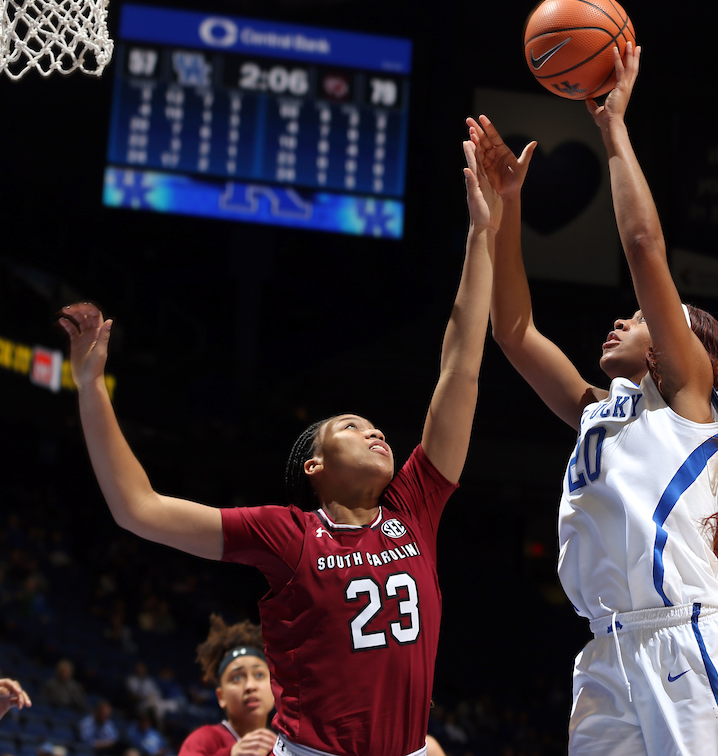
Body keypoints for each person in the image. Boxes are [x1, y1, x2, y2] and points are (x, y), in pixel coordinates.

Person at [59, 137, 502, 756]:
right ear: (314, 466)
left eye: (374, 425)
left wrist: (484, 232)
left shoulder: (414, 507)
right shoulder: (288, 535)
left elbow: (461, 364)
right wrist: (90, 386)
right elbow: (139, 507)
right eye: (349, 426)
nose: (375, 431)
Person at [469, 41, 718, 756]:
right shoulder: (598, 411)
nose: (621, 319)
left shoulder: (693, 407)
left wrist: (612, 128)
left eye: (637, 319)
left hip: (687, 642)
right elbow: (511, 331)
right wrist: (506, 208)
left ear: (678, 348)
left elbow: (641, 245)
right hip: (604, 653)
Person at [178, 616, 276, 756]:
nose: (250, 686)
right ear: (221, 696)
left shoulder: (283, 747)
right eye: (236, 678)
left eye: (259, 675)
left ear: (274, 686)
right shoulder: (202, 740)